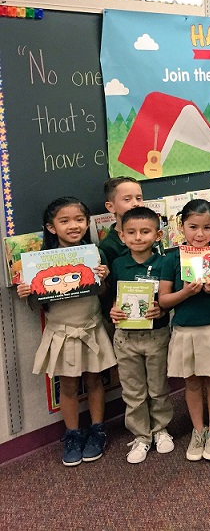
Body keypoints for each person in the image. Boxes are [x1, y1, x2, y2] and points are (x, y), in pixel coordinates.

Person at [17, 197, 116, 466]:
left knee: (96, 380)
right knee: (68, 384)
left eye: (79, 220)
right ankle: (72, 434)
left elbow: (104, 294)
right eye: (65, 221)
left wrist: (103, 277)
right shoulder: (38, 261)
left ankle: (97, 429)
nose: (74, 226)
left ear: (87, 222)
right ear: (51, 228)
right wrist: (27, 292)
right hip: (61, 330)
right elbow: (37, 304)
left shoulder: (96, 253)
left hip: (91, 325)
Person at [159, 199, 210, 462]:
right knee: (192, 381)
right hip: (186, 329)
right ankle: (198, 430)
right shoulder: (172, 258)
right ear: (181, 226)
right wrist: (185, 292)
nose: (199, 234)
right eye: (193, 227)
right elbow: (163, 301)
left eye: (207, 228)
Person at [108, 207, 174, 464]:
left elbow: (168, 298)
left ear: (157, 235)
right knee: (133, 390)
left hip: (156, 335)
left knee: (158, 388)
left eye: (145, 232)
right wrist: (114, 309)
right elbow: (115, 296)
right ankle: (141, 435)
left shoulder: (164, 262)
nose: (138, 237)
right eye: (131, 233)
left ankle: (161, 429)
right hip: (126, 336)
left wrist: (162, 307)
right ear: (122, 236)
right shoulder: (118, 263)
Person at [99, 177, 144, 263]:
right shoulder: (108, 246)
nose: (135, 204)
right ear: (111, 207)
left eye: (138, 198)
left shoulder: (151, 233)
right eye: (127, 199)